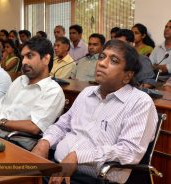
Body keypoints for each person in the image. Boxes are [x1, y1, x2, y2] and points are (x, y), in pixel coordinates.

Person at [32, 39, 158, 184]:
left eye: (114, 60)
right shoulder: (87, 92)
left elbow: (129, 151)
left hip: (94, 179)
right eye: (102, 57)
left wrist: (78, 156)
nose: (102, 63)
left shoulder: (139, 102)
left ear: (127, 76)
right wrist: (45, 142)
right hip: (56, 167)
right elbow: (62, 125)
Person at [0, 36, 65, 150]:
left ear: (46, 59)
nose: (24, 62)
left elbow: (34, 126)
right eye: (23, 57)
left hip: (15, 143)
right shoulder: (20, 80)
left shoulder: (53, 90)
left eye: (29, 56)